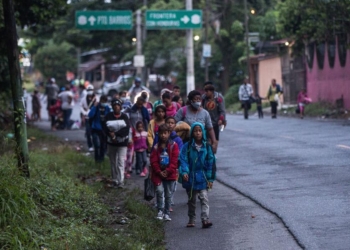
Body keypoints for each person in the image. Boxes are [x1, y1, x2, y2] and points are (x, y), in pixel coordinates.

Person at [179, 122, 215, 228]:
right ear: (192, 133)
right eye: (195, 131)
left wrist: (210, 179)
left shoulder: (207, 146)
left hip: (203, 177)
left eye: (200, 131)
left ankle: (205, 219)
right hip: (191, 178)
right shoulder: (188, 146)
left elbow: (210, 162)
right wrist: (184, 172)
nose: (198, 133)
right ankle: (191, 219)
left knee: (204, 198)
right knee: (192, 200)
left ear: (203, 132)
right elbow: (183, 160)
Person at [150, 124, 180, 221]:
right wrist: (159, 171)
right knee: (159, 191)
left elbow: (174, 161)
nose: (163, 135)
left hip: (170, 175)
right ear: (158, 134)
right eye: (161, 133)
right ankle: (160, 210)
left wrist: (167, 171)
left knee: (168, 194)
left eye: (165, 133)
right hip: (158, 174)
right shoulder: (156, 147)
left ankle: (166, 212)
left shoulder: (173, 146)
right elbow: (153, 161)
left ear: (169, 134)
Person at [103, 98, 130, 188]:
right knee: (113, 162)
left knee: (121, 162)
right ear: (112, 107)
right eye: (114, 106)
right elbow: (105, 128)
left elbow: (126, 130)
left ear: (120, 107)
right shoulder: (108, 116)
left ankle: (120, 181)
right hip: (111, 143)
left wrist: (115, 134)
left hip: (122, 143)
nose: (116, 107)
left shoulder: (125, 117)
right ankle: (114, 180)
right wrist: (111, 136)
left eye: (118, 106)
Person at [165, 116, 184, 212]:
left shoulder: (178, 139)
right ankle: (162, 202)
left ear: (175, 125)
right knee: (162, 184)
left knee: (172, 186)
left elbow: (180, 152)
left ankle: (169, 202)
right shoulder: (160, 136)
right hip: (162, 166)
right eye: (168, 122)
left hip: (174, 166)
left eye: (172, 123)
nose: (170, 124)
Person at [88, 95, 111, 163]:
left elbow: (109, 116)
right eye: (103, 101)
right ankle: (96, 160)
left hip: (104, 130)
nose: (104, 102)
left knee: (103, 145)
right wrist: (94, 106)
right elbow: (90, 115)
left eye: (105, 101)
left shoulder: (107, 108)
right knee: (97, 145)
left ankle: (101, 160)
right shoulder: (96, 107)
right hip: (95, 128)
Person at [80, 85, 98, 152]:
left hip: (95, 118)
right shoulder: (83, 99)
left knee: (94, 132)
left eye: (91, 90)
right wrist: (84, 113)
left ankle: (95, 144)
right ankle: (90, 145)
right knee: (88, 132)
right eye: (88, 90)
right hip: (87, 117)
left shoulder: (96, 98)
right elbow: (81, 106)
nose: (90, 92)